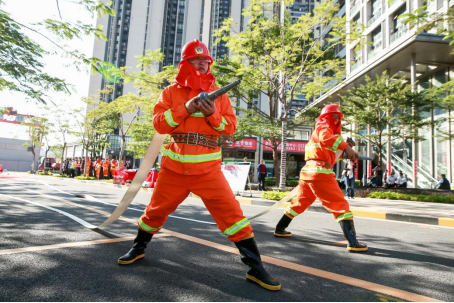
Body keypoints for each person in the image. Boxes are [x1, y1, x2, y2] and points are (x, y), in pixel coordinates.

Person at [117, 40, 280, 291]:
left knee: (234, 218)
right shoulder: (170, 92)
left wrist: (211, 114)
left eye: (206, 60)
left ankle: (255, 269)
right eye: (197, 60)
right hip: (173, 169)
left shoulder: (220, 94)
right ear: (185, 63)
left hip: (208, 171)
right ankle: (138, 248)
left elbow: (230, 128)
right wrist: (184, 109)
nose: (203, 63)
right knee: (154, 212)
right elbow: (160, 124)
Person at [273, 104, 368, 253]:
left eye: (338, 117)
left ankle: (280, 228)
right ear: (325, 117)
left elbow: (330, 157)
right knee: (340, 205)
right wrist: (346, 147)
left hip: (309, 172)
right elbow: (325, 139)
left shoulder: (328, 135)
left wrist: (345, 149)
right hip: (320, 172)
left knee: (300, 202)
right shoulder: (323, 127)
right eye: (333, 115)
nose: (336, 119)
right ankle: (353, 242)